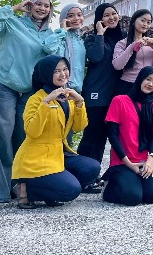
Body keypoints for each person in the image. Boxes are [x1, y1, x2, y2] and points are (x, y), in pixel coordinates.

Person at [0, 0, 54, 203]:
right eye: (38, 3)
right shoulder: (12, 23)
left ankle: (18, 186)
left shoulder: (50, 34)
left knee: (24, 138)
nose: (42, 8)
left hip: (29, 90)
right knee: (0, 137)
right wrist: (13, 8)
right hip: (3, 83)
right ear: (30, 5)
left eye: (46, 5)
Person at [12, 55, 101, 209]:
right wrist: (46, 102)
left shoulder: (67, 96)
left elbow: (79, 127)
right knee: (71, 190)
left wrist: (79, 102)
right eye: (56, 71)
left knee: (92, 168)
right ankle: (25, 189)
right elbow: (32, 132)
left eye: (65, 69)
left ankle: (50, 189)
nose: (63, 74)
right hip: (37, 158)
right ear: (46, 74)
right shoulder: (36, 99)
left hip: (59, 153)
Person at [102, 66, 153, 206]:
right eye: (148, 79)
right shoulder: (119, 100)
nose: (151, 84)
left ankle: (136, 181)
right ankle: (109, 187)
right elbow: (112, 135)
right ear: (140, 79)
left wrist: (150, 161)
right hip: (123, 161)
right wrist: (128, 163)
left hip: (145, 160)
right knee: (133, 197)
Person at [77, 3, 124, 167]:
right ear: (99, 19)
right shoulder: (92, 38)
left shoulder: (123, 39)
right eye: (106, 15)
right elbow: (96, 57)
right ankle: (83, 172)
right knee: (91, 135)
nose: (111, 17)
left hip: (114, 95)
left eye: (114, 13)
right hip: (96, 94)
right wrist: (99, 34)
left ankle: (94, 171)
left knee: (103, 136)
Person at [112, 9, 153, 94]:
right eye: (143, 20)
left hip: (146, 86)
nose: (145, 24)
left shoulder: (151, 44)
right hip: (127, 85)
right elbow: (117, 65)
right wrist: (132, 47)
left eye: (148, 22)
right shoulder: (122, 43)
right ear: (133, 21)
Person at [44, 4, 87, 93]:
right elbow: (48, 47)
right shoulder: (61, 36)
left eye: (79, 15)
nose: (76, 18)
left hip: (77, 88)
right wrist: (62, 30)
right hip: (61, 88)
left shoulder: (81, 39)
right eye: (71, 16)